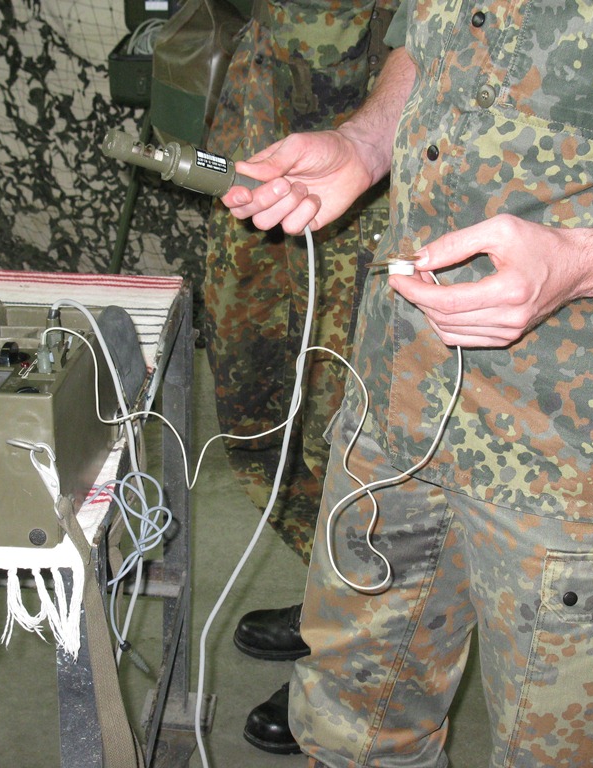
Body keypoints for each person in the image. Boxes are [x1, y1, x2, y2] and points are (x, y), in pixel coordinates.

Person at [219, 1, 593, 765]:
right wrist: (363, 144)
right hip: (400, 391)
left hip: (592, 438)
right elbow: (437, 35)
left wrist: (586, 264)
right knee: (349, 733)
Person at [203, 0, 396, 754]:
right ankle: (328, 601)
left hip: (372, 176)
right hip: (261, 139)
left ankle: (352, 664)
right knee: (258, 412)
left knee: (353, 447)